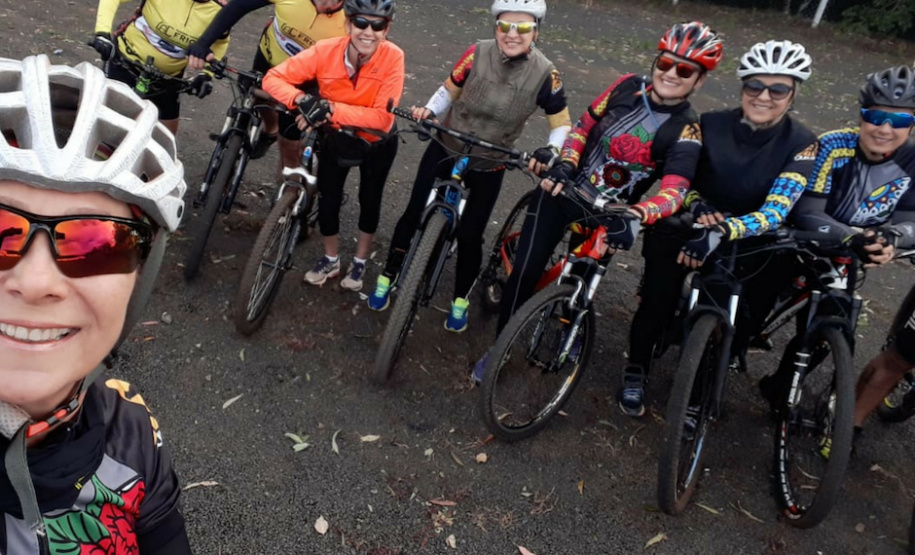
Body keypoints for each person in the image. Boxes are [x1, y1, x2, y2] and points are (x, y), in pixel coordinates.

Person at [0, 55, 190, 553]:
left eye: (98, 242)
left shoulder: (131, 430)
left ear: (140, 281)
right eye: (1, 232)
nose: (36, 281)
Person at [472, 21, 721, 381]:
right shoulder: (625, 86)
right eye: (665, 63)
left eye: (684, 70)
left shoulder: (688, 129)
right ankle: (499, 348)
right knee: (525, 272)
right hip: (566, 190)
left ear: (698, 81)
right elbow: (583, 127)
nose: (670, 73)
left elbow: (675, 192)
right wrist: (566, 166)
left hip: (613, 213)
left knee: (584, 281)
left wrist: (638, 214)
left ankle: (568, 324)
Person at [621, 40, 818, 417]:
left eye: (778, 89)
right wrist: (700, 206)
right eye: (754, 86)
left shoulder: (804, 143)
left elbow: (778, 209)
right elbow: (678, 182)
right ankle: (636, 367)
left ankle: (706, 385)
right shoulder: (705, 123)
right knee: (656, 300)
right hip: (691, 225)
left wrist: (726, 229)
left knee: (741, 311)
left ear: (793, 95)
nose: (764, 96)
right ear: (742, 87)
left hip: (746, 236)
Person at [367, 0, 572, 334]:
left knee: (471, 234)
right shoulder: (477, 52)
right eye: (504, 26)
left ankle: (460, 298)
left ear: (535, 31)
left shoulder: (546, 73)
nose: (512, 34)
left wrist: (550, 151)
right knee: (412, 211)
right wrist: (429, 113)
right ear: (495, 26)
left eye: (522, 27)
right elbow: (449, 90)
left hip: (491, 159)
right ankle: (389, 273)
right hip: (447, 144)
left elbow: (562, 123)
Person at [758, 65, 915, 439]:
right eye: (875, 116)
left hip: (848, 254)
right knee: (757, 300)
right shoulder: (832, 145)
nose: (884, 128)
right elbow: (809, 211)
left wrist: (892, 239)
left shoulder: (912, 162)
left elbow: (910, 220)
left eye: (898, 120)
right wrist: (854, 237)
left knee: (831, 330)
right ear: (861, 115)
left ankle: (781, 384)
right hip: (804, 239)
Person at [261, 0, 402, 291]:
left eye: (378, 25)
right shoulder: (326, 50)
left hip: (376, 142)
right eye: (361, 23)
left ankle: (360, 262)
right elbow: (273, 77)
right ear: (348, 24)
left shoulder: (393, 57)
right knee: (328, 198)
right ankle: (331, 258)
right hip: (335, 138)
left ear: (386, 30)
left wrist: (328, 109)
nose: (368, 32)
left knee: (370, 199)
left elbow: (382, 119)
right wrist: (302, 100)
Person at [188, 0, 347, 181]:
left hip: (305, 83)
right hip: (268, 63)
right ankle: (269, 130)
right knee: (254, 100)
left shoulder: (349, 21)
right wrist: (204, 43)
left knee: (289, 143)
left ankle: (285, 196)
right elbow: (239, 5)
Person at [91, 0, 228, 134]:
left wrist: (206, 74)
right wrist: (102, 34)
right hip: (126, 61)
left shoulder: (220, 9)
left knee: (164, 140)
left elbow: (221, 42)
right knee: (98, 122)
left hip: (168, 78)